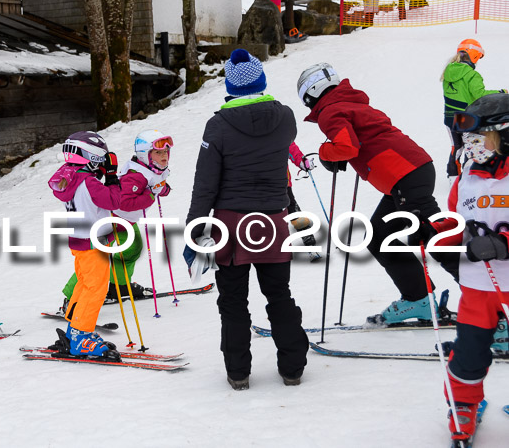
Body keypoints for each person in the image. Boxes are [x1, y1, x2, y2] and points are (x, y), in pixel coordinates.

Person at [297, 63, 458, 325]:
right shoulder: (352, 103)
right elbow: (361, 141)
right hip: (408, 174)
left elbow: (346, 146)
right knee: (380, 235)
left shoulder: (330, 111)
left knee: (436, 237)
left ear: (310, 93)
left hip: (405, 175)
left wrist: (327, 152)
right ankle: (419, 300)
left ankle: (488, 302)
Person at [186, 48, 309, 390]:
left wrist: (193, 233)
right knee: (279, 294)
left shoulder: (218, 126)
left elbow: (204, 186)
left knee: (232, 301)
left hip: (231, 225)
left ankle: (238, 372)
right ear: (262, 81)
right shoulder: (285, 118)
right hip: (273, 222)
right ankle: (293, 367)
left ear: (231, 87)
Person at [413, 93, 509, 444]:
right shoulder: (466, 175)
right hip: (477, 285)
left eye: (479, 139)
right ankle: (464, 404)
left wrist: (504, 242)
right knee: (468, 352)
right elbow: (457, 220)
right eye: (467, 140)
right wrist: (433, 232)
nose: (471, 147)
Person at [58, 130, 172, 310]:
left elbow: (156, 183)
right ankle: (71, 298)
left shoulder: (152, 169)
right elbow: (125, 202)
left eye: (166, 152)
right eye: (158, 152)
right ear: (145, 155)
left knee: (131, 250)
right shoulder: (136, 175)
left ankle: (117, 286)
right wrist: (150, 196)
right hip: (113, 220)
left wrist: (162, 189)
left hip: (126, 222)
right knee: (98, 259)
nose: (164, 155)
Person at [48, 131, 121, 358]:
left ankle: (74, 330)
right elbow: (114, 200)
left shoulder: (71, 177)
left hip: (80, 240)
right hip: (94, 242)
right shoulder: (88, 182)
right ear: (93, 156)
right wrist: (111, 176)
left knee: (84, 284)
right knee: (96, 288)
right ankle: (81, 335)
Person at [442, 39, 505, 177]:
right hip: (465, 117)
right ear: (475, 55)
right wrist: (500, 93)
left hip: (449, 117)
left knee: (456, 148)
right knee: (472, 147)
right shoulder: (472, 75)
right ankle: (469, 176)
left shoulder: (448, 71)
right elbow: (480, 96)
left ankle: (453, 177)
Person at [287, 142, 320, 261]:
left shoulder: (277, 127)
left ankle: (309, 244)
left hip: (280, 182)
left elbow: (291, 148)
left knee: (293, 210)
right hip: (254, 186)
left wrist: (302, 162)